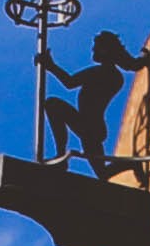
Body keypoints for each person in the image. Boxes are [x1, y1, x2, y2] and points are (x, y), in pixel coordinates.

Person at [38, 29, 132, 176]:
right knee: (102, 173)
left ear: (106, 50)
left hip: (89, 126)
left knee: (52, 104)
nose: (93, 50)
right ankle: (130, 164)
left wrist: (50, 65)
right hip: (92, 127)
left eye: (97, 47)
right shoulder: (114, 76)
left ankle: (61, 155)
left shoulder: (103, 73)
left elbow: (69, 82)